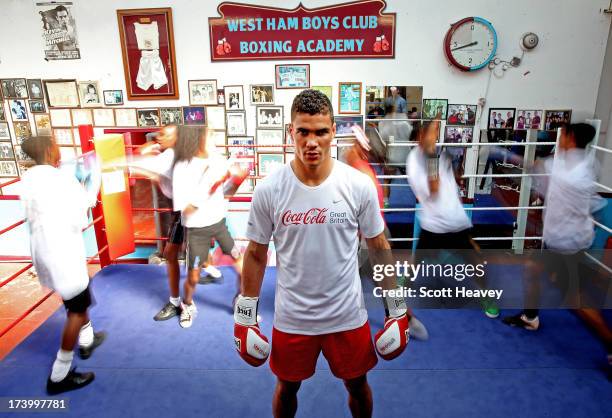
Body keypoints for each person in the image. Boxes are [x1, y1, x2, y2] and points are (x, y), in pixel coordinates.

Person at [234, 89, 410, 418]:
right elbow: (256, 255)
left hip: (346, 314)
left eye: (321, 132)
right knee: (287, 387)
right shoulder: (270, 189)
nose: (311, 142)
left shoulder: (357, 185)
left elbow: (378, 246)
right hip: (293, 317)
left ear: (333, 133)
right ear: (291, 132)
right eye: (303, 131)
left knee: (357, 385)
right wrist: (245, 315)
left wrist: (395, 308)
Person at [502, 123, 611, 377]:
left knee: (577, 301)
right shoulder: (580, 162)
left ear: (571, 138)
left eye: (564, 135)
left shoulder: (570, 171)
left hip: (566, 244)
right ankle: (530, 317)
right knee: (531, 268)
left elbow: (541, 170)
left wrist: (508, 156)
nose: (559, 138)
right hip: (562, 240)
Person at [19, 136, 106, 394]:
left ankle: (87, 338)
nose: (60, 151)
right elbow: (86, 203)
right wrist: (94, 175)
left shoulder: (29, 179)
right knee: (77, 309)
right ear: (48, 150)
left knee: (77, 298)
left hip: (44, 251)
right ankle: (60, 374)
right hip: (62, 252)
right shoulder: (60, 179)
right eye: (56, 146)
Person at [406, 117, 499, 318]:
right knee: (419, 259)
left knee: (476, 259)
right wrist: (432, 155)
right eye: (434, 132)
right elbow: (433, 189)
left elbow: (452, 176)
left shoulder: (440, 152)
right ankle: (406, 281)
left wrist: (457, 159)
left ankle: (485, 295)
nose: (437, 136)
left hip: (456, 222)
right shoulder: (414, 162)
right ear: (422, 136)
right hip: (435, 225)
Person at [172, 125, 245, 328]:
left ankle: (240, 299)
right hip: (197, 230)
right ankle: (186, 305)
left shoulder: (218, 160)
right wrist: (207, 186)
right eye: (209, 135)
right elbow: (184, 209)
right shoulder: (182, 167)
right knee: (194, 277)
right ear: (196, 140)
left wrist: (237, 180)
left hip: (220, 225)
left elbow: (227, 192)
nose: (213, 139)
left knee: (242, 266)